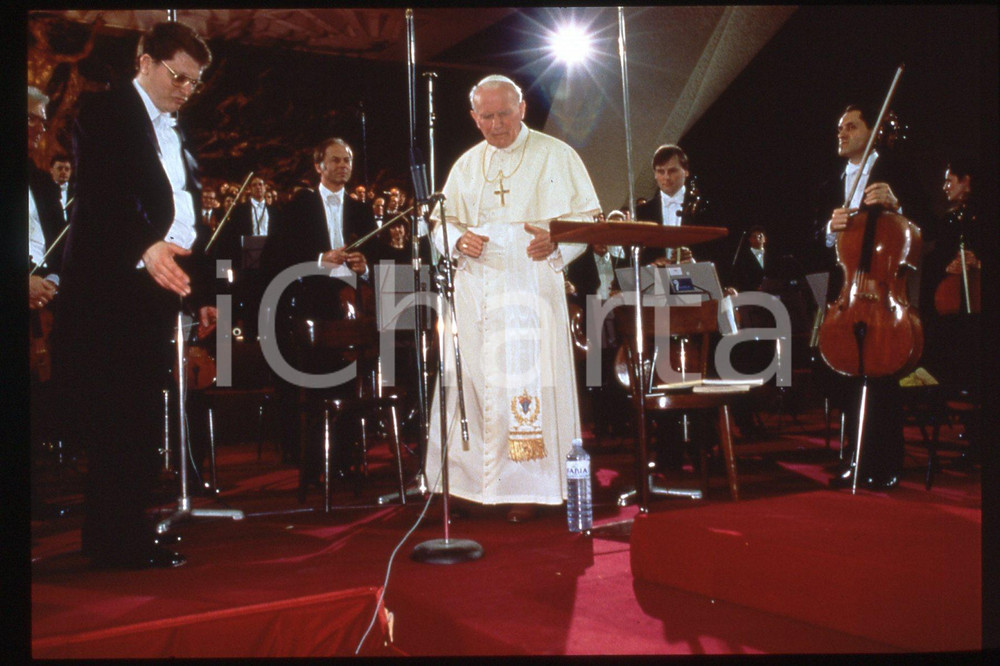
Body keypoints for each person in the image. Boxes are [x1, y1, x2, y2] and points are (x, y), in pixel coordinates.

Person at [50, 22, 216, 569]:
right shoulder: (102, 112)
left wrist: (201, 293)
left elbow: (188, 209)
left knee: (143, 417)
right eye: (178, 77)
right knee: (115, 420)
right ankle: (111, 541)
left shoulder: (175, 129)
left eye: (193, 83)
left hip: (157, 289)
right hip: (109, 290)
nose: (185, 91)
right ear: (144, 61)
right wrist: (145, 246)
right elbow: (100, 195)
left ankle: (128, 530)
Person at [428, 74, 601, 522]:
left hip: (530, 287)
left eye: (505, 113)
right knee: (474, 384)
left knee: (526, 382)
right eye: (486, 116)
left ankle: (529, 486)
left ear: (522, 108)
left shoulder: (556, 155)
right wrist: (456, 240)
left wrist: (556, 240)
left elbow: (589, 217)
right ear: (473, 117)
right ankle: (470, 482)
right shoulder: (467, 164)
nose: (497, 124)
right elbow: (438, 222)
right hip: (476, 293)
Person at [812, 103, 929, 490]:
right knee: (848, 375)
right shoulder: (832, 181)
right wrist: (830, 227)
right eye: (839, 127)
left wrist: (899, 206)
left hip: (884, 292)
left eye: (850, 126)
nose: (841, 133)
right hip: (847, 291)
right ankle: (852, 459)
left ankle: (885, 461)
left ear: (872, 131)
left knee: (882, 377)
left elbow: (926, 229)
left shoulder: (897, 171)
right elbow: (814, 239)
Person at [259, 137, 376, 496]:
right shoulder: (296, 207)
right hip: (313, 307)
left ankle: (348, 461)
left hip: (354, 306)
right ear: (319, 165)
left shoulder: (363, 210)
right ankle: (315, 465)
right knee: (318, 386)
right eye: (336, 160)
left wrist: (365, 265)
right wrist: (319, 259)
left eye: (348, 160)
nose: (343, 166)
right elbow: (276, 258)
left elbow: (380, 256)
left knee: (353, 385)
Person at [634, 144, 712, 266]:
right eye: (661, 171)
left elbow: (716, 251)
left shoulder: (704, 208)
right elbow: (637, 258)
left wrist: (693, 262)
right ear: (655, 174)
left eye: (672, 171)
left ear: (686, 172)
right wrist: (652, 265)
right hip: (657, 281)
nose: (666, 177)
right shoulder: (642, 212)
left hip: (696, 278)